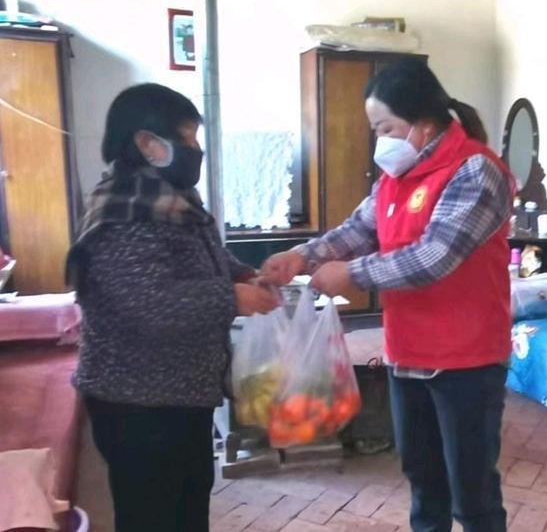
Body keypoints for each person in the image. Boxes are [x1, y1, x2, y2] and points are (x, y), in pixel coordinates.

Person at [262, 59, 513, 532]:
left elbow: (434, 256)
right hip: (408, 352)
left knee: (472, 493)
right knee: (423, 479)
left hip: (466, 360)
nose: (381, 141)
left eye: (386, 128)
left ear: (423, 124)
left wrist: (351, 274)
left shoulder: (475, 171)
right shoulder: (397, 177)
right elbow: (358, 229)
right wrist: (301, 256)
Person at [67, 83, 280, 532]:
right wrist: (232, 298)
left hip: (180, 396)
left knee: (187, 507)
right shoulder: (124, 212)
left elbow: (204, 255)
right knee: (153, 516)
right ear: (148, 143)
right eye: (187, 138)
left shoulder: (168, 197)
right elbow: (149, 303)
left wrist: (242, 273)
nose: (195, 150)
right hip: (138, 404)